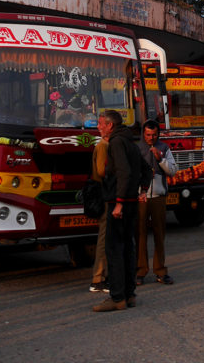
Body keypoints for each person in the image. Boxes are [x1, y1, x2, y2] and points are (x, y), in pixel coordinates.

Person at [94, 110, 143, 312]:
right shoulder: (130, 141)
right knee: (128, 249)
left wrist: (119, 202)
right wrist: (143, 190)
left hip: (119, 202)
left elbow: (123, 171)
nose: (98, 127)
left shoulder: (115, 143)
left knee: (114, 250)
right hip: (131, 200)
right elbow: (144, 167)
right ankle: (129, 294)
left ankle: (117, 297)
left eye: (101, 124)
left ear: (110, 125)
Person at [135, 120, 178, 285]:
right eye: (147, 135)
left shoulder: (164, 148)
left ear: (158, 134)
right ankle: (140, 271)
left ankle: (160, 270)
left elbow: (173, 171)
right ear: (143, 134)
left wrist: (160, 159)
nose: (150, 138)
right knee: (140, 235)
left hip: (159, 196)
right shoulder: (137, 149)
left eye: (154, 135)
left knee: (160, 235)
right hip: (141, 196)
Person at [89, 113, 112, 293]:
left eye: (100, 124)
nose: (98, 127)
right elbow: (101, 171)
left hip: (104, 193)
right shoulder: (103, 146)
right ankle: (98, 277)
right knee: (104, 238)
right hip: (104, 194)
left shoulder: (106, 144)